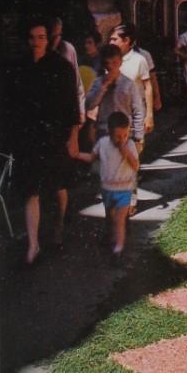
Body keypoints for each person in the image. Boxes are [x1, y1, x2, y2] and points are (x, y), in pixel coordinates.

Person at [13, 19, 81, 265]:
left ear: (48, 39)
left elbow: (72, 105)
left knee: (57, 186)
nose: (37, 42)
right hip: (30, 137)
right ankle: (33, 245)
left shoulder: (61, 67)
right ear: (28, 39)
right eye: (33, 37)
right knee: (31, 189)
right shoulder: (20, 67)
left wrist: (72, 137)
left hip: (54, 135)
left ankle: (59, 225)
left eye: (41, 37)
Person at [75, 110, 139, 260]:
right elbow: (92, 157)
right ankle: (112, 239)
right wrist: (77, 155)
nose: (121, 139)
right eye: (117, 136)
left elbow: (136, 166)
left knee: (120, 219)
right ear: (109, 132)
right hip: (107, 189)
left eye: (124, 135)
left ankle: (118, 248)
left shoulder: (129, 145)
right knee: (110, 218)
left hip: (124, 189)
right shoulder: (103, 143)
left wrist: (126, 153)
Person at [84, 43, 146, 145]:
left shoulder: (129, 84)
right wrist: (103, 88)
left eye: (114, 63)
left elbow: (138, 110)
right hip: (104, 131)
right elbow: (89, 105)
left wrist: (138, 137)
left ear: (120, 62)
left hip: (125, 133)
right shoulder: (98, 82)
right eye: (107, 63)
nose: (111, 66)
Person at [110, 24, 153, 134]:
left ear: (126, 40)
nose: (111, 43)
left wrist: (149, 115)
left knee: (135, 148)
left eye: (114, 39)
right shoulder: (109, 61)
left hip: (135, 116)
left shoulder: (139, 60)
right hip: (115, 116)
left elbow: (148, 87)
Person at [50, 16, 86, 126]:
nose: (56, 40)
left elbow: (77, 84)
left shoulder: (68, 49)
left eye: (58, 35)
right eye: (53, 36)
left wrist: (81, 111)